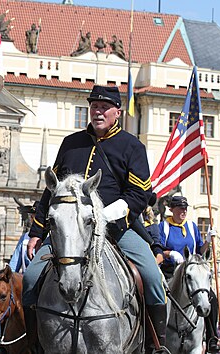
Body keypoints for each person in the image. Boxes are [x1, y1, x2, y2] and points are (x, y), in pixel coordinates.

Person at [20, 85, 168, 352]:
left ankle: (156, 344)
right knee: (30, 279)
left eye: (105, 108)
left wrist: (105, 215)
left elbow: (139, 194)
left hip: (117, 229)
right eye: (94, 107)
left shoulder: (132, 146)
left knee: (152, 278)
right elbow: (50, 191)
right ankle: (33, 343)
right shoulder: (71, 143)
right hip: (68, 232)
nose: (98, 112)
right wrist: (37, 232)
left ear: (117, 113)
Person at [155, 195, 220, 352]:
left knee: (211, 297)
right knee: (159, 298)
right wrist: (170, 253)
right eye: (180, 208)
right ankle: (157, 337)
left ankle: (211, 337)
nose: (183, 211)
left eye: (185, 208)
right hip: (170, 273)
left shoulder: (191, 226)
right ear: (172, 210)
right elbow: (157, 250)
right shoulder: (163, 227)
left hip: (191, 272)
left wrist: (208, 240)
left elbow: (200, 251)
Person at [8, 201, 38, 273]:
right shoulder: (25, 238)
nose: (35, 222)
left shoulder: (52, 238)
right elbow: (13, 267)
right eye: (32, 217)